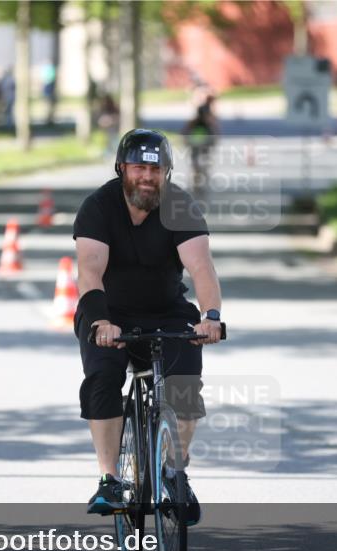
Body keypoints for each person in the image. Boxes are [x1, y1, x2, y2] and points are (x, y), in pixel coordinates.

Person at [73, 129, 223, 526]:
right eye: (139, 168)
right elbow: (90, 271)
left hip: (167, 312)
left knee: (185, 384)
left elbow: (201, 267)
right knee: (103, 377)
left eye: (156, 169)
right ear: (121, 168)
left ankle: (175, 471)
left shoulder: (180, 206)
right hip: (109, 314)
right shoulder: (98, 207)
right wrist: (101, 321)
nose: (147, 176)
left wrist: (210, 316)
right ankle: (109, 479)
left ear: (166, 172)